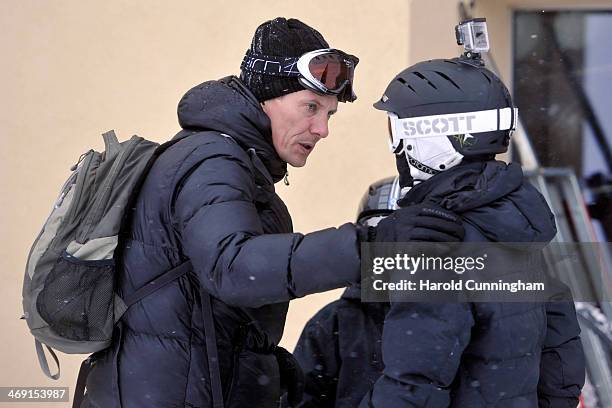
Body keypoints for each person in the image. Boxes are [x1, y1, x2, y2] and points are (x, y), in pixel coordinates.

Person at [79, 18, 465, 408]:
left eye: (329, 114)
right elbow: (233, 268)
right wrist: (373, 247)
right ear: (266, 96)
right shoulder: (213, 159)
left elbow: (215, 307)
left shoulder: (235, 163)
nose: (321, 129)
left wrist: (267, 371)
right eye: (310, 107)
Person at [296, 57, 585, 407]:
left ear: (431, 140)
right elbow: (560, 368)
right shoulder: (511, 233)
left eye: (396, 132)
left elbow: (413, 390)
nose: (396, 149)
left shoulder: (438, 244)